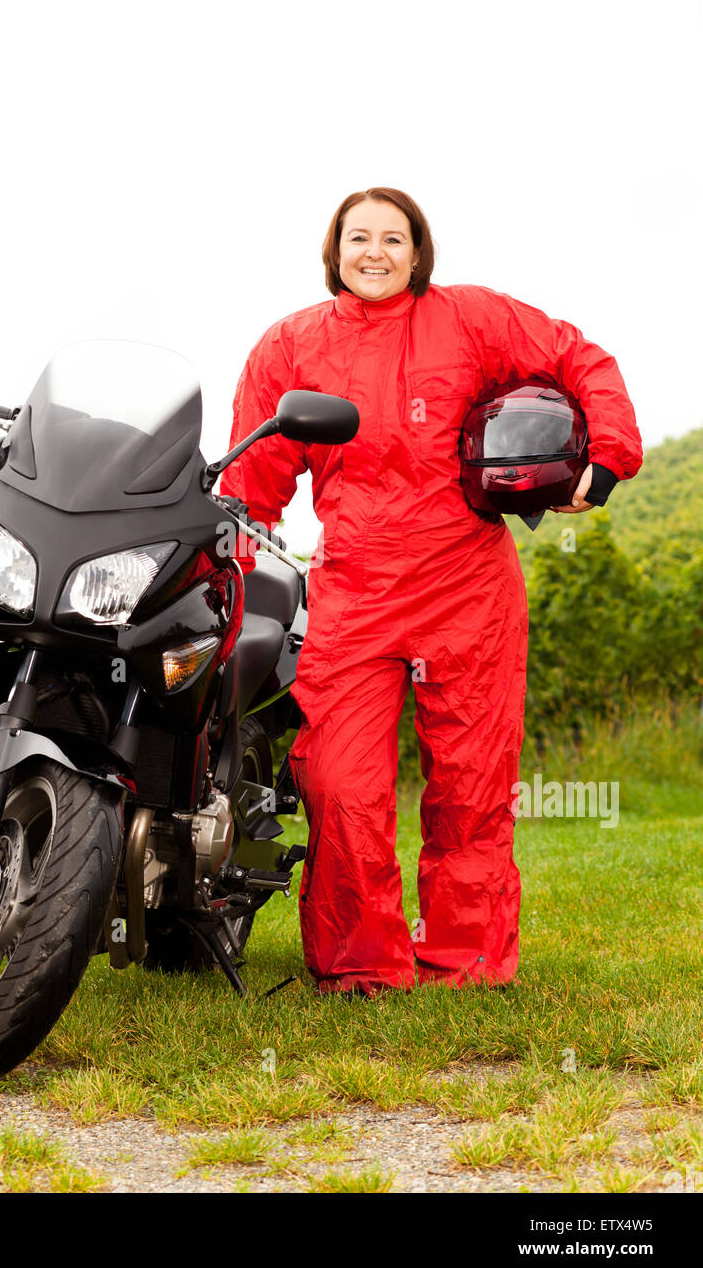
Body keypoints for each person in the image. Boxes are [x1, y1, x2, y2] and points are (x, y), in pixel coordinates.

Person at [218, 187, 643, 996]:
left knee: (472, 784)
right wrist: (227, 559)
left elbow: (577, 357)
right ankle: (361, 963)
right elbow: (252, 482)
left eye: (392, 238)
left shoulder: (472, 319)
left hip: (468, 584)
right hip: (354, 588)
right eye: (357, 238)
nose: (373, 253)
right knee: (341, 781)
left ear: (418, 252)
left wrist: (610, 453)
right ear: (333, 249)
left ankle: (465, 960)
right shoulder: (291, 345)